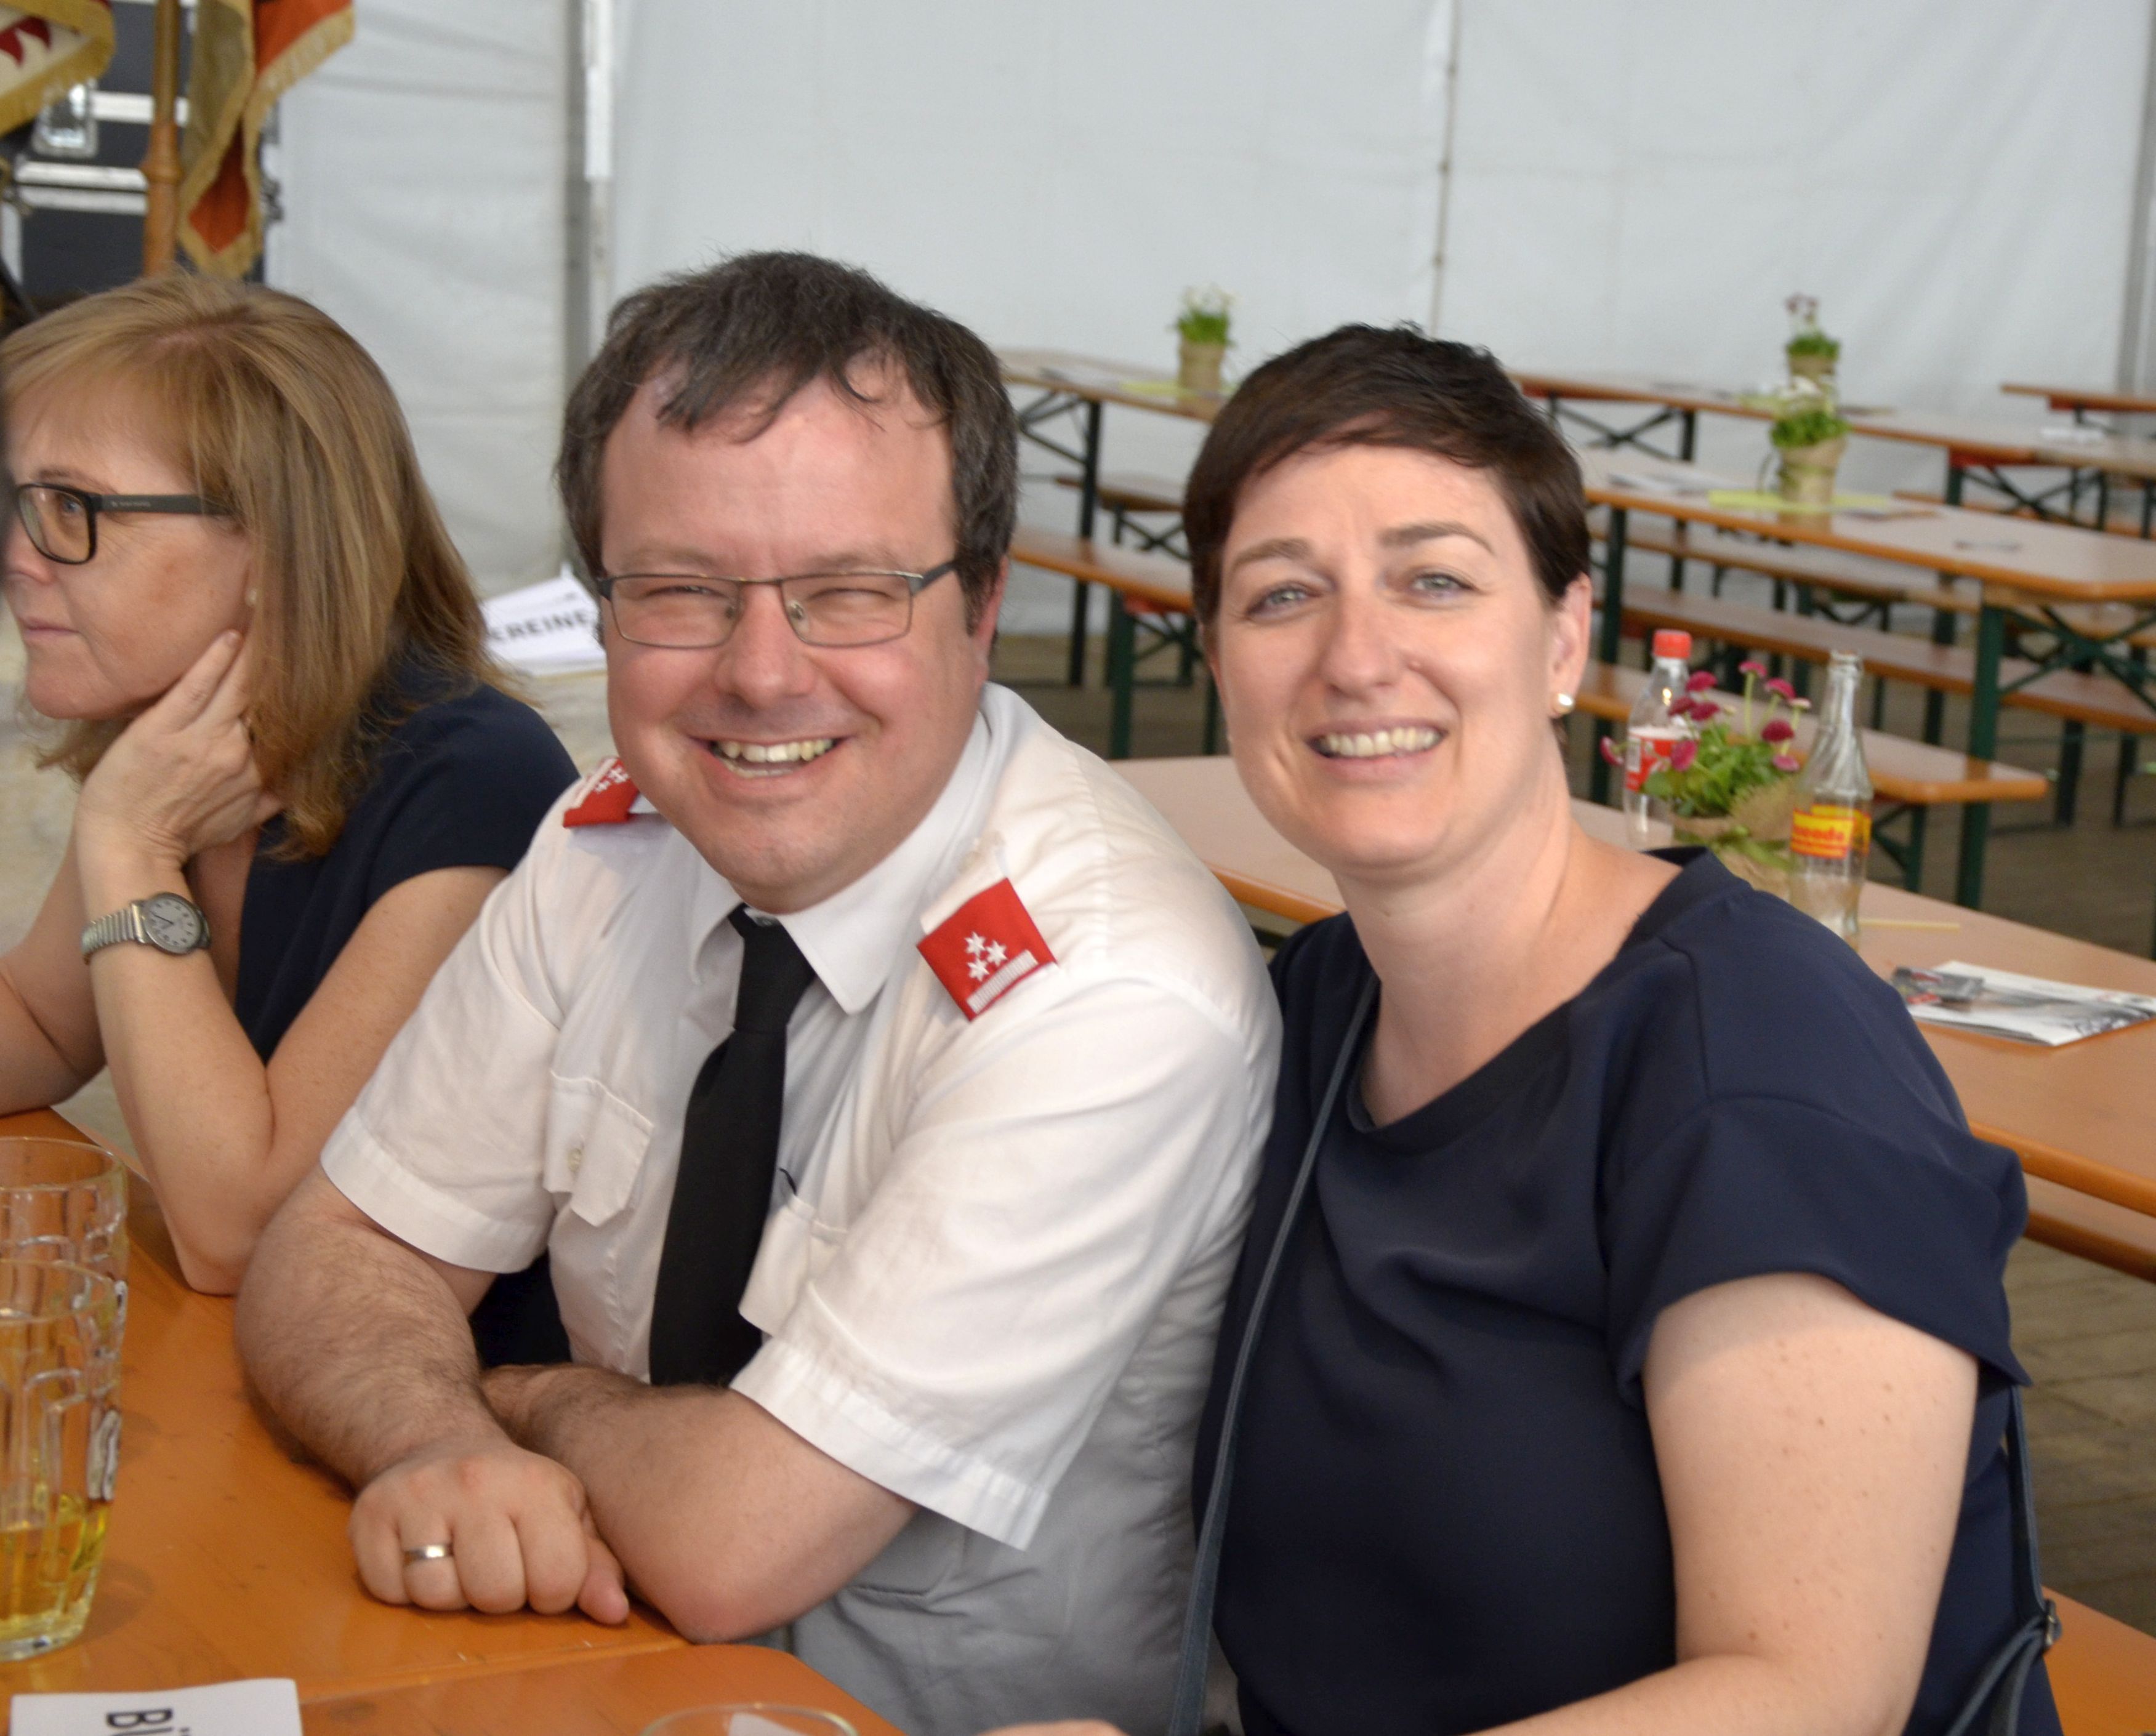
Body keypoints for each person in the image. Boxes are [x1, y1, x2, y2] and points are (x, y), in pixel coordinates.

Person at [234, 251, 1278, 1736]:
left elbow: (736, 1546)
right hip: (576, 1677)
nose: (763, 675)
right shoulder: (612, 842)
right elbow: (332, 1254)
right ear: (602, 608)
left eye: (849, 592)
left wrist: (516, 1397)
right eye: (680, 591)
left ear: (981, 608)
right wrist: (427, 1436)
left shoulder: (1110, 984)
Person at [1000, 325, 2055, 1736]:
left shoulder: (1756, 1071)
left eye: (1433, 580)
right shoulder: (1312, 1004)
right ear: (1217, 658)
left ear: (1562, 638)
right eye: (1280, 595)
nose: (1354, 657)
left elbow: (1809, 1695)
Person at [0, 274, 576, 1295]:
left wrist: (131, 849)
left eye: (71, 509)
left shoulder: (474, 785)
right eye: (15, 502)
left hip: (439, 1389)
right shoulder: (187, 743)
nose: (20, 557)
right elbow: (40, 1026)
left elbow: (242, 1232)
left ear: (273, 543)